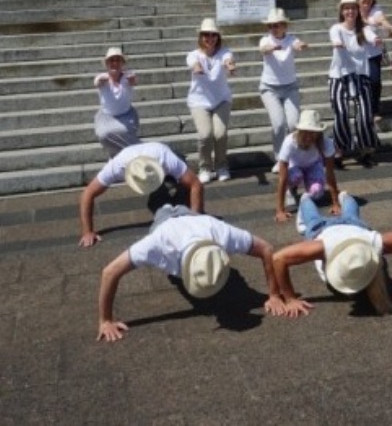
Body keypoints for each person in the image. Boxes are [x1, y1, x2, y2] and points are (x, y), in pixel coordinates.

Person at [96, 207, 286, 342]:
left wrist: (274, 295)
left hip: (195, 218)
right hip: (164, 222)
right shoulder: (158, 243)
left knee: (183, 207)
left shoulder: (220, 232)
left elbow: (266, 249)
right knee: (162, 207)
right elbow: (109, 272)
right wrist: (105, 320)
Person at [272, 191, 392, 317]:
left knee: (351, 213)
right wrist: (290, 298)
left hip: (355, 227)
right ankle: (309, 197)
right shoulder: (324, 247)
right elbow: (278, 259)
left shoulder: (373, 241)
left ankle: (344, 197)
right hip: (322, 230)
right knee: (312, 216)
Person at [79, 141, 203, 247]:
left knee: (184, 193)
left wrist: (196, 219)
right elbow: (88, 193)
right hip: (143, 155)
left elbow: (195, 184)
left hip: (170, 153)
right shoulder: (117, 166)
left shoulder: (166, 158)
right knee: (155, 201)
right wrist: (87, 231)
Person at [328, 0, 380, 167]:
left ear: (357, 11)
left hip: (360, 74)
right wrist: (337, 43)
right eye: (346, 8)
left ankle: (366, 149)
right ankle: (338, 150)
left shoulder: (363, 29)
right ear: (342, 11)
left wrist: (377, 40)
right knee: (341, 113)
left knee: (365, 114)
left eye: (352, 8)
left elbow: (371, 36)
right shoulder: (336, 28)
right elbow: (335, 38)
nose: (350, 11)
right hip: (339, 75)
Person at [257, 8, 308, 174]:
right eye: (271, 25)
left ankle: (292, 156)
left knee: (293, 123)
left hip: (290, 87)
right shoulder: (265, 40)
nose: (274, 28)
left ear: (285, 26)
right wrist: (270, 49)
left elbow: (296, 44)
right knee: (278, 124)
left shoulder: (291, 39)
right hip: (269, 88)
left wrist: (300, 46)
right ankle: (280, 159)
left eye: (278, 25)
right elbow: (263, 49)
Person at [186, 18, 236, 184]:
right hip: (199, 101)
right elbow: (192, 63)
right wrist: (196, 68)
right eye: (206, 35)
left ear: (217, 37)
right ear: (200, 37)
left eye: (213, 35)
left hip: (221, 100)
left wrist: (229, 66)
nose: (210, 38)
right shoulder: (194, 55)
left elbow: (228, 60)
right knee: (205, 135)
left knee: (220, 134)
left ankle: (221, 166)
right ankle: (205, 167)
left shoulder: (224, 52)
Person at [275, 109, 341, 228]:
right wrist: (280, 210)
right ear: (300, 130)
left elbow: (330, 174)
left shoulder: (326, 143)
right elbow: (282, 176)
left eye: (313, 132)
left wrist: (336, 203)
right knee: (295, 176)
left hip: (313, 165)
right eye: (306, 132)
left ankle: (308, 191)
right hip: (295, 166)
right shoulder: (289, 141)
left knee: (316, 193)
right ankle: (292, 190)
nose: (309, 136)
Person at [93, 46, 140, 157]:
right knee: (104, 135)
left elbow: (134, 81)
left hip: (126, 115)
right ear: (107, 64)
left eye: (118, 60)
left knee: (123, 131)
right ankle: (122, 154)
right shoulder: (102, 77)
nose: (115, 63)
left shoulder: (128, 76)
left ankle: (129, 154)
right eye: (112, 60)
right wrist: (100, 82)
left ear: (122, 63)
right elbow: (96, 82)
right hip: (106, 117)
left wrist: (133, 81)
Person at [356, 0, 392, 122]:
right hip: (358, 53)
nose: (365, 0)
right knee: (361, 82)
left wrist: (390, 27)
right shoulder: (353, 11)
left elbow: (382, 20)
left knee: (375, 81)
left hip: (374, 53)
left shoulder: (376, 9)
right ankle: (364, 107)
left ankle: (375, 108)